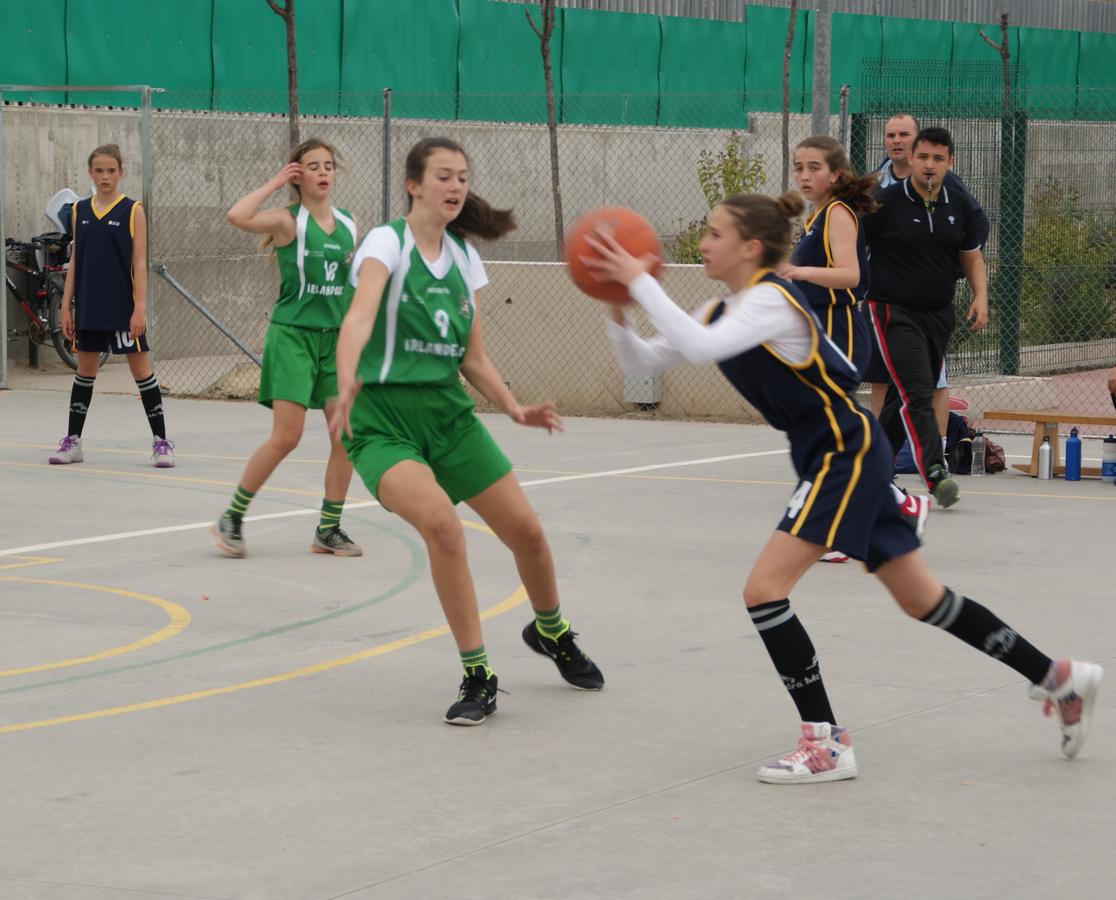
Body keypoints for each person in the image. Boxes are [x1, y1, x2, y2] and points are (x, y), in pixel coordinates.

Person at [585, 190, 1101, 784]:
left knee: (763, 591)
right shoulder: (719, 312)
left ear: (749, 247)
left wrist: (639, 281)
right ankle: (1058, 677)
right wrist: (618, 304)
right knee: (922, 599)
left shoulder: (772, 303)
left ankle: (825, 743)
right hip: (836, 453)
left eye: (713, 232)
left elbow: (700, 350)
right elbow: (643, 362)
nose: (702, 242)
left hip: (842, 453)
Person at [329, 136, 603, 725]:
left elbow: (472, 357)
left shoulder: (462, 259)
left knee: (527, 532)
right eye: (444, 176)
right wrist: (347, 379)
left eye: (462, 177)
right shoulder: (385, 242)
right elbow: (358, 315)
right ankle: (478, 672)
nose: (455, 187)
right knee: (443, 529)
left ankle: (551, 631)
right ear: (414, 184)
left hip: (449, 415)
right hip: (382, 420)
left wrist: (512, 405)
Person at [212, 139, 362, 559]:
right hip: (293, 335)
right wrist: (276, 181)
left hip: (335, 341)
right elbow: (236, 216)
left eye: (328, 165)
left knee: (346, 436)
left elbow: (354, 288)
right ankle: (233, 517)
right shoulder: (286, 221)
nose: (323, 172)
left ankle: (328, 529)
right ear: (299, 175)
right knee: (287, 436)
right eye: (312, 166)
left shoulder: (350, 224)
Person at [781, 136, 927, 560]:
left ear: (835, 174)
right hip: (820, 329)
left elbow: (849, 274)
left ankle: (848, 527)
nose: (805, 175)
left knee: (832, 433)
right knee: (830, 432)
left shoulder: (839, 214)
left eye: (813, 168)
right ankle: (900, 504)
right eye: (799, 167)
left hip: (840, 330)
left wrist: (797, 270)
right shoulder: (818, 215)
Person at [862, 127, 990, 509]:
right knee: (918, 390)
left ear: (950, 163)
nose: (930, 165)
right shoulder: (884, 204)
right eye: (923, 157)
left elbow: (971, 257)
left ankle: (872, 466)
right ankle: (935, 472)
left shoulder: (960, 205)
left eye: (938, 159)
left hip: (938, 314)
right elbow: (851, 246)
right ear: (910, 160)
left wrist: (981, 296)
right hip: (889, 310)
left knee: (902, 397)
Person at [49, 144, 174, 467]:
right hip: (90, 306)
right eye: (99, 171)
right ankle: (72, 442)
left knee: (142, 372)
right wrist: (66, 306)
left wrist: (140, 308)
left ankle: (162, 442)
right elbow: (75, 261)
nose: (105, 177)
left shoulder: (133, 210)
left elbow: (141, 264)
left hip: (123, 307)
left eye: (111, 171)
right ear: (90, 173)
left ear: (120, 173)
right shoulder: (79, 210)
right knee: (85, 372)